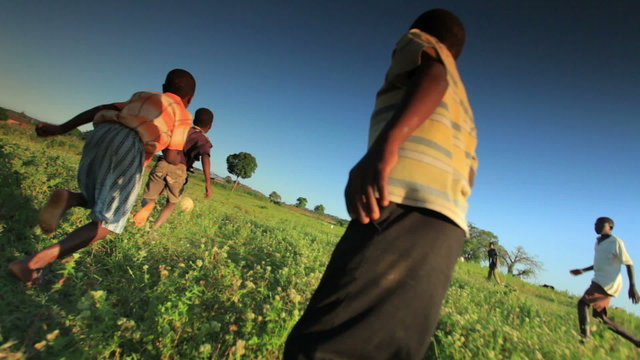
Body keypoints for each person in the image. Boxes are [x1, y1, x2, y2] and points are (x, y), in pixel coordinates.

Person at [284, 9, 477, 360]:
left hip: (399, 204)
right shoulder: (464, 109)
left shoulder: (422, 44)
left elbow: (433, 74)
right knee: (388, 349)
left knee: (323, 346)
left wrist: (386, 146)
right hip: (447, 228)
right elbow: (470, 174)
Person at [8, 69, 195, 285]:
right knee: (109, 222)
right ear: (189, 99)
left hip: (102, 133)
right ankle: (31, 265)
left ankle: (70, 199)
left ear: (164, 87)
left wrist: (60, 128)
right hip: (130, 144)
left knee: (98, 196)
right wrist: (178, 160)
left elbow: (100, 109)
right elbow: (171, 155)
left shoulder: (143, 95)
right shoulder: (182, 113)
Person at [132, 107, 214, 229]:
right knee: (171, 203)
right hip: (179, 170)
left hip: (162, 163)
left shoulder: (180, 130)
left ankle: (146, 212)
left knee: (149, 197)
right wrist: (208, 183)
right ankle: (153, 229)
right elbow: (205, 157)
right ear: (209, 126)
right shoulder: (203, 140)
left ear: (194, 120)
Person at [570, 217, 640, 346]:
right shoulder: (598, 242)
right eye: (595, 224)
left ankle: (585, 338)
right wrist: (583, 270)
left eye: (600, 224)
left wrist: (633, 286)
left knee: (582, 304)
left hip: (607, 283)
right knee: (601, 319)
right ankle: (636, 342)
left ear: (610, 228)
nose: (596, 226)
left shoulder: (616, 242)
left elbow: (629, 264)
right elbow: (600, 263)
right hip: (598, 280)